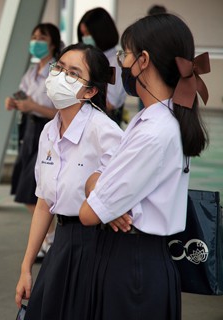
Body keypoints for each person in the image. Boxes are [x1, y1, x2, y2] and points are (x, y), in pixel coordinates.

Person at [79, 13, 210, 319]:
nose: (122, 64)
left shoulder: (153, 132)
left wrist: (99, 189)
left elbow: (89, 213)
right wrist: (100, 188)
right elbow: (96, 187)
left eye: (125, 55)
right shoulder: (157, 119)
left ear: (144, 60)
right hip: (140, 259)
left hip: (133, 264)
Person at [15, 42, 123, 319]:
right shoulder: (49, 131)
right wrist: (26, 267)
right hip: (62, 242)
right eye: (59, 68)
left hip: (98, 246)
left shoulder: (104, 131)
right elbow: (43, 204)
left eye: (73, 73)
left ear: (90, 91)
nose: (61, 76)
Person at [5, 23, 61, 259]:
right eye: (34, 36)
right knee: (24, 186)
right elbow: (23, 95)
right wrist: (14, 102)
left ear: (53, 43)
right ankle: (49, 238)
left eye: (42, 37)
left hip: (46, 130)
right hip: (29, 131)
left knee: (33, 187)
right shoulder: (32, 71)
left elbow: (61, 112)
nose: (36, 41)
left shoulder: (56, 71)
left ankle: (50, 239)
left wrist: (33, 106)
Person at [77, 7, 127, 126]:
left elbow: (110, 104)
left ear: (101, 33)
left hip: (103, 123)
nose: (85, 38)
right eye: (82, 34)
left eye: (88, 33)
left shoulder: (114, 63)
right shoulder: (91, 59)